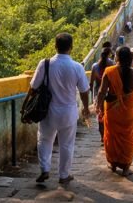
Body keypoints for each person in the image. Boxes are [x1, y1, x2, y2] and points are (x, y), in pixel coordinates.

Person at [30, 33, 90, 186]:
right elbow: (84, 91)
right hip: (68, 112)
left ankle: (45, 169)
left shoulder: (45, 64)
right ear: (71, 47)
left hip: (48, 112)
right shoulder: (77, 67)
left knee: (44, 139)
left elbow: (33, 87)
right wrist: (85, 108)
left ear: (55, 46)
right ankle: (64, 175)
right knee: (67, 144)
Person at [97, 46, 133, 177]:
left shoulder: (109, 71)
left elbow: (101, 92)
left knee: (112, 136)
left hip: (113, 111)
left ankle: (113, 163)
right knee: (128, 137)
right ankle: (126, 167)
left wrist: (98, 106)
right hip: (129, 112)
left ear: (117, 57)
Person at [90, 48, 114, 143]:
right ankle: (108, 135)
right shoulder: (112, 65)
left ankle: (102, 137)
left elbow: (91, 83)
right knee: (109, 115)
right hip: (110, 94)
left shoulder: (95, 66)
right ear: (109, 55)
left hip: (98, 94)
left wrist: (92, 97)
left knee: (100, 116)